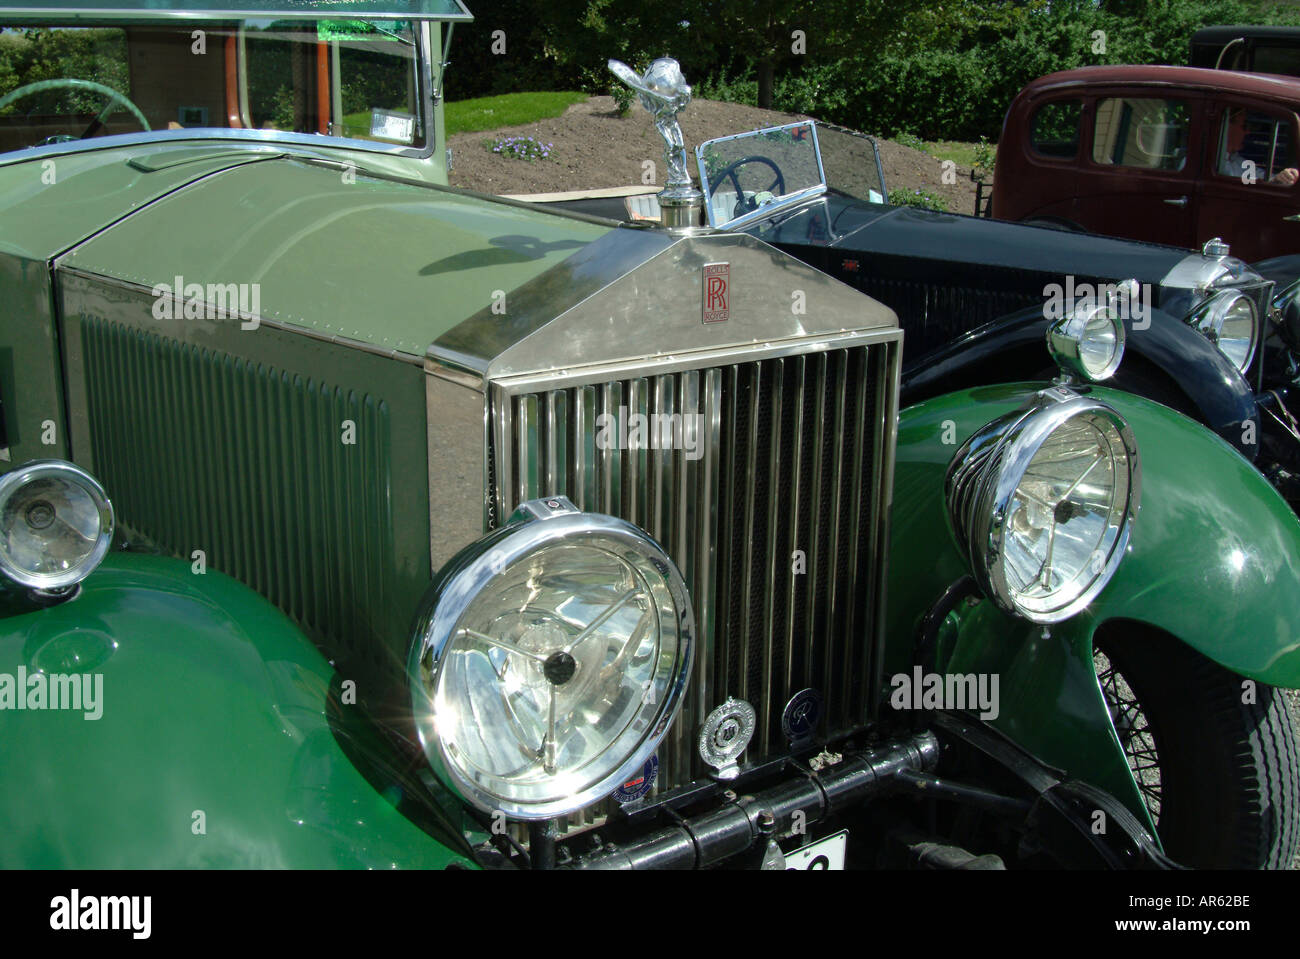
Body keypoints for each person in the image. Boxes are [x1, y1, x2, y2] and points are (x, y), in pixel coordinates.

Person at [1220, 107, 1299, 185]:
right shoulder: (1219, 163)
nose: (1247, 132)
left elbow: (1262, 177)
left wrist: (1282, 178)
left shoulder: (1234, 158)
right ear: (1227, 126)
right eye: (1244, 126)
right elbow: (1244, 186)